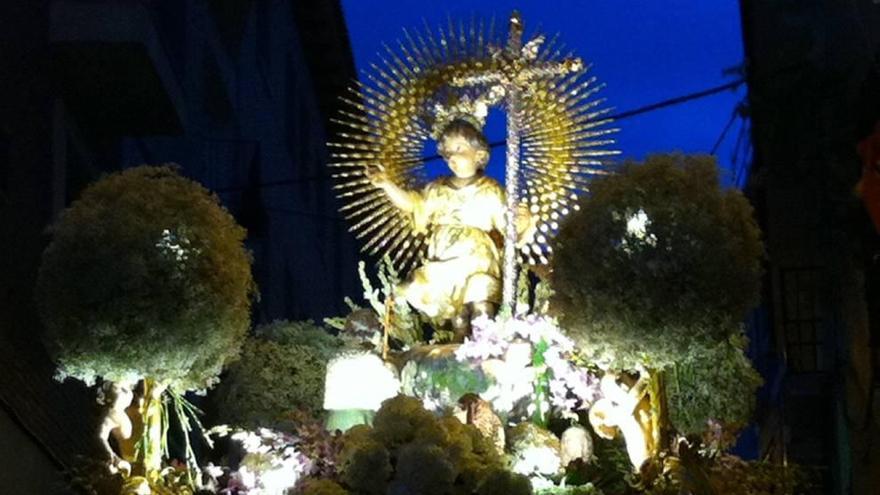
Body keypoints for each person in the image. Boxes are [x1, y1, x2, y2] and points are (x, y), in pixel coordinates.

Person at [367, 118, 533, 338]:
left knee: (480, 308)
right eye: (446, 152)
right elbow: (413, 204)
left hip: (476, 257)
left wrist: (523, 222)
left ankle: (488, 349)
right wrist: (386, 184)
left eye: (458, 148)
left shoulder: (490, 190)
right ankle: (459, 356)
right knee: (458, 315)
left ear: (480, 155)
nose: (452, 157)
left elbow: (508, 230)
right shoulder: (436, 189)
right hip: (443, 257)